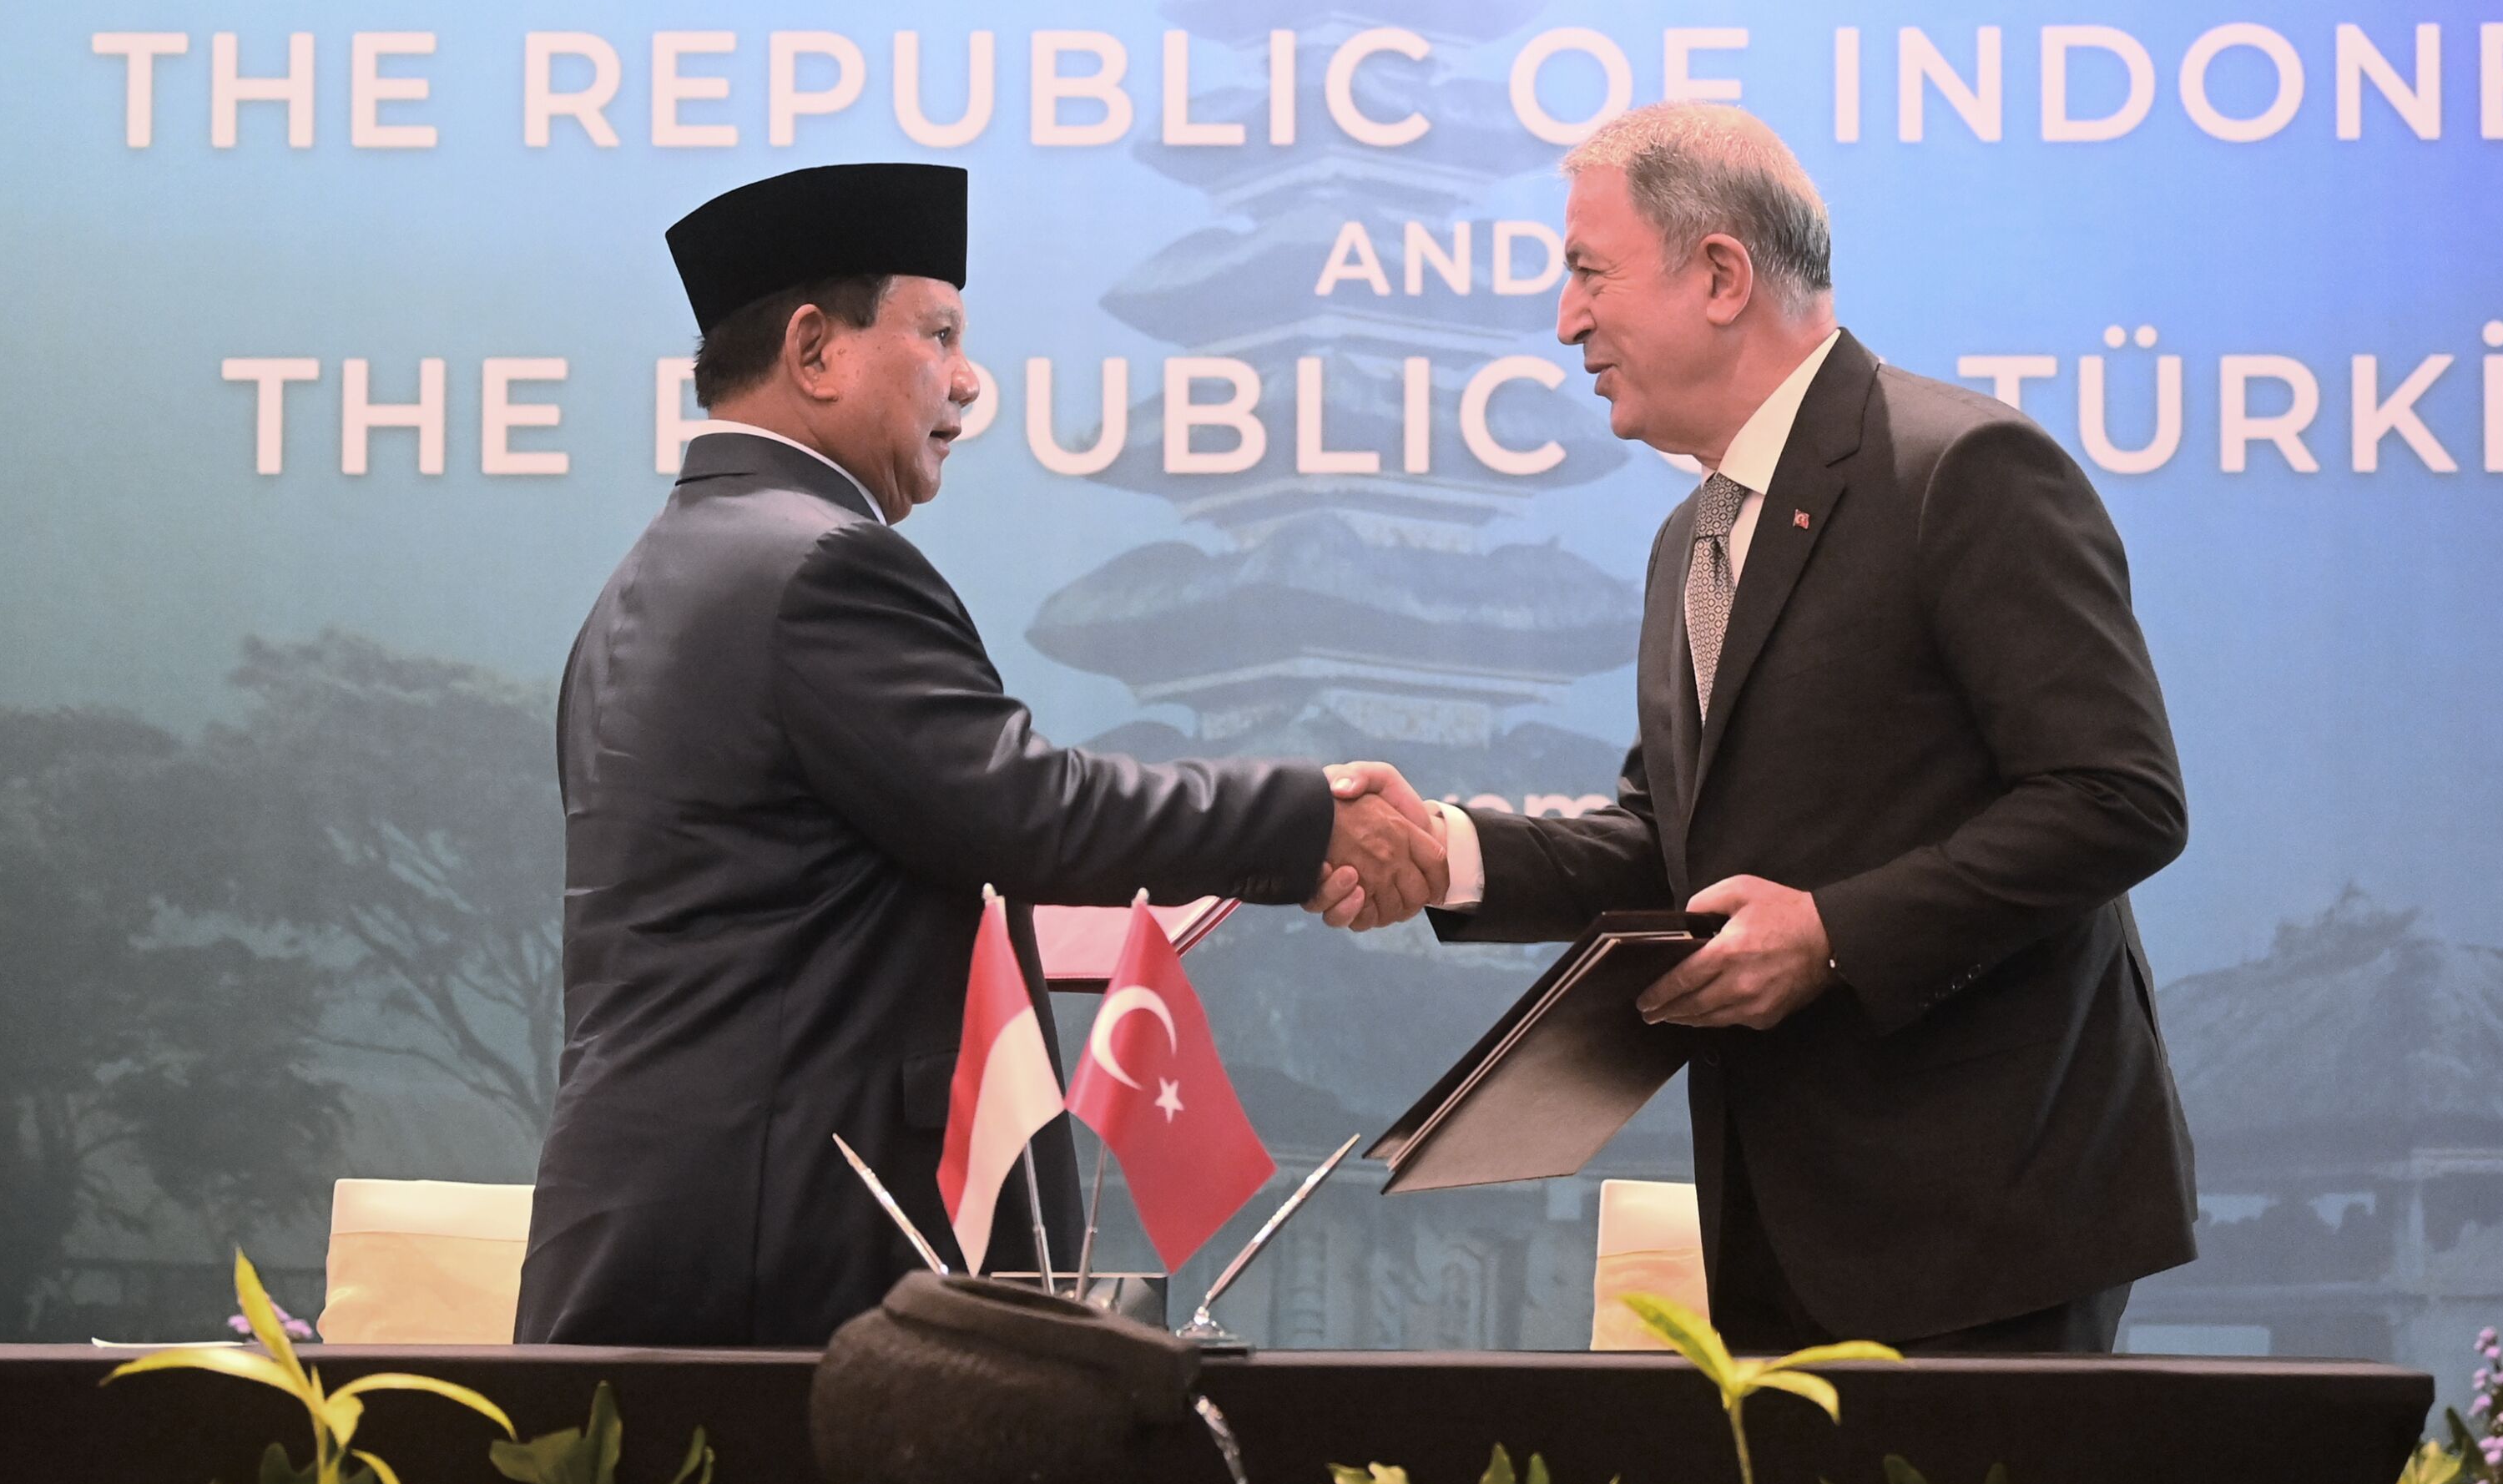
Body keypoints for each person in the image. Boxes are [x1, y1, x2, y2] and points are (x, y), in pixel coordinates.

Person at [517, 162, 1443, 1347]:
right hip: (782, 1249)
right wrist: (1309, 815)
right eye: (939, 335)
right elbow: (1029, 810)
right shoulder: (821, 565)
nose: (967, 381)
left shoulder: (658, 572)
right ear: (815, 350)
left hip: (675, 1220)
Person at [1355, 103, 2195, 1352]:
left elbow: (2116, 797)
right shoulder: (1689, 537)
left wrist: (1831, 934)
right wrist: (1448, 854)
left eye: (1587, 272)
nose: (1566, 321)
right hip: (1781, 1232)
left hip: (1986, 1230)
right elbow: (1672, 848)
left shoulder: (1963, 469)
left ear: (1719, 275)